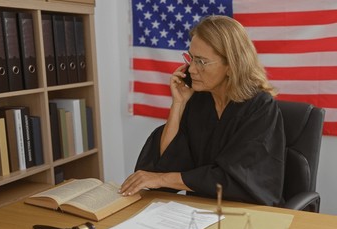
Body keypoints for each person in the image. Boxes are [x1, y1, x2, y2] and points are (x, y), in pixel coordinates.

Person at [120, 15, 286, 206]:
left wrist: (162, 179)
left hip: (247, 210)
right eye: (191, 58)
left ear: (231, 66)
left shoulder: (260, 107)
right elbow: (166, 164)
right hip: (201, 208)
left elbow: (235, 180)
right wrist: (178, 104)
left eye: (201, 61)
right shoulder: (199, 100)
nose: (190, 69)